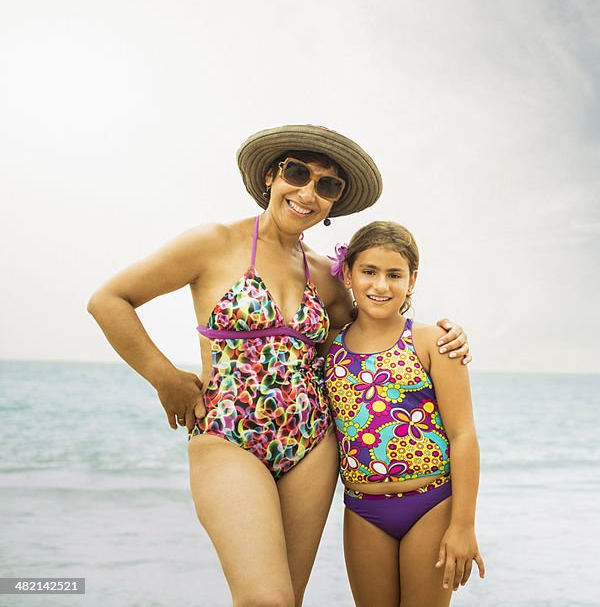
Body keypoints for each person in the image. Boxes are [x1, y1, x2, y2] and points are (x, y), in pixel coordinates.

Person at [87, 125, 471, 607]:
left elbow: (376, 335)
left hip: (312, 445)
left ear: (334, 202)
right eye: (298, 173)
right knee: (264, 599)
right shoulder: (213, 243)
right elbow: (109, 300)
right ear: (272, 176)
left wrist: (447, 336)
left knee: (289, 599)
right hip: (227, 435)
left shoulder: (329, 279)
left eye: (327, 185)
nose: (309, 192)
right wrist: (165, 379)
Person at [324, 221, 483, 607]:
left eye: (394, 275)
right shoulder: (328, 347)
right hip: (363, 510)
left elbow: (463, 435)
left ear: (412, 280)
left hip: (431, 504)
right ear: (348, 274)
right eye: (369, 272)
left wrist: (463, 526)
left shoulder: (433, 342)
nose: (381, 285)